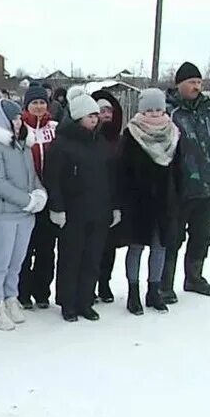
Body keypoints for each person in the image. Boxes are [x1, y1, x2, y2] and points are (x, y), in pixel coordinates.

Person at [161, 62, 210, 303]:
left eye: (199, 82)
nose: (196, 86)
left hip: (208, 187)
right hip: (180, 189)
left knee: (203, 234)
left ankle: (194, 277)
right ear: (179, 84)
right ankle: (165, 283)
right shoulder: (169, 112)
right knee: (173, 237)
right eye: (191, 82)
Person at [45, 92, 119, 322]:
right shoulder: (62, 144)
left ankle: (85, 301)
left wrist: (114, 206)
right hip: (73, 212)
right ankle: (68, 302)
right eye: (90, 116)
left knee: (92, 258)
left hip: (99, 211)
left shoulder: (101, 143)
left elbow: (112, 177)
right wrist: (57, 207)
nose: (95, 120)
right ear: (77, 117)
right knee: (71, 258)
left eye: (96, 116)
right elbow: (53, 178)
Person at [0, 99, 46, 330]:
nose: (19, 122)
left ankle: (10, 297)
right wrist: (27, 200)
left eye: (19, 117)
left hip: (25, 214)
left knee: (17, 261)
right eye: (14, 118)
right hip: (2, 213)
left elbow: (32, 175)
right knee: (0, 261)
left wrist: (39, 193)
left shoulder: (23, 145)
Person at [118, 89, 179, 315]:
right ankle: (133, 292)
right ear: (141, 110)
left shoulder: (173, 133)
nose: (154, 114)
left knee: (159, 247)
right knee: (136, 247)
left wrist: (176, 198)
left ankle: (153, 291)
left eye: (159, 109)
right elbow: (122, 171)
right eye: (149, 110)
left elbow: (179, 169)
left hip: (165, 201)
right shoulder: (132, 134)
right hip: (138, 201)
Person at [18, 83, 59, 309]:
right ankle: (22, 292)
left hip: (50, 196)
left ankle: (42, 291)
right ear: (27, 105)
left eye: (42, 102)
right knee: (25, 248)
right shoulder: (19, 127)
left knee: (46, 248)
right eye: (34, 103)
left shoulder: (54, 127)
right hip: (27, 196)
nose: (39, 107)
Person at [92, 89, 124, 304]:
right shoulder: (89, 139)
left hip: (113, 200)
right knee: (91, 248)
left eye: (109, 110)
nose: (106, 114)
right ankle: (89, 285)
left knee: (109, 248)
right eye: (101, 110)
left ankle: (104, 283)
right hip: (90, 200)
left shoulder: (119, 141)